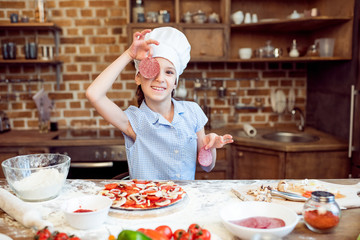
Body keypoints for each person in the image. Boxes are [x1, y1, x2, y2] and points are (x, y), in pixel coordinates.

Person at [86, 27, 233, 180]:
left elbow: (207, 166)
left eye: (169, 72)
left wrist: (211, 147)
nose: (160, 78)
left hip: (182, 201)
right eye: (152, 69)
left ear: (175, 82)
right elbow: (94, 94)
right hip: (147, 202)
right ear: (138, 78)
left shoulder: (192, 112)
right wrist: (129, 54)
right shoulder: (134, 121)